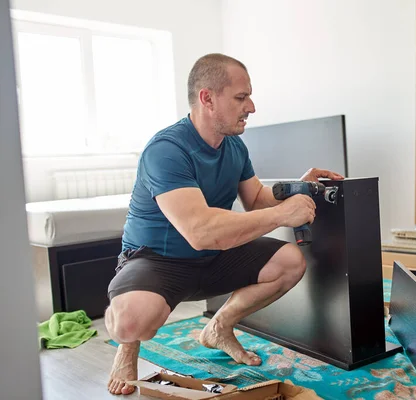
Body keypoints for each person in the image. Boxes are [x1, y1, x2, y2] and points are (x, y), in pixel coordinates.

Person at [105, 53, 344, 395]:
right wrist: (282, 215)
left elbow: (257, 198)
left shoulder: (234, 146)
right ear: (207, 98)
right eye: (240, 97)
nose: (251, 106)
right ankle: (128, 347)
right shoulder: (166, 150)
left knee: (290, 262)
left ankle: (219, 327)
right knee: (132, 319)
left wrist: (298, 185)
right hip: (157, 260)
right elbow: (201, 232)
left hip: (213, 258)